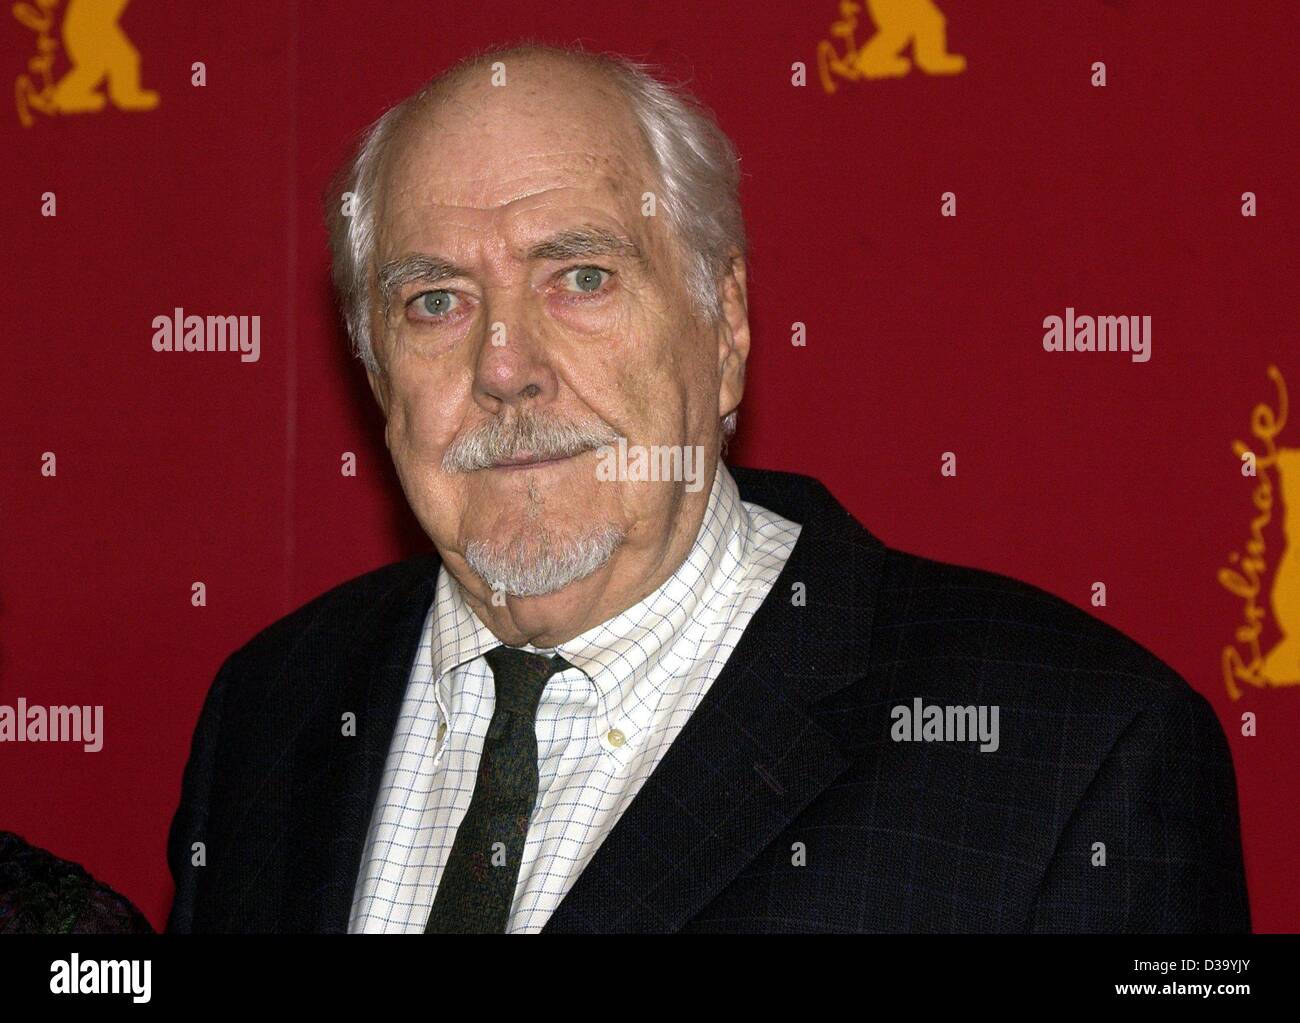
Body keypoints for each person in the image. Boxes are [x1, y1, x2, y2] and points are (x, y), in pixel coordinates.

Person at [166, 43, 1249, 933]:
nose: (503, 367)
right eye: (435, 302)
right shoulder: (273, 712)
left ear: (724, 325)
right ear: (373, 371)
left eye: (580, 278)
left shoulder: (1068, 750)